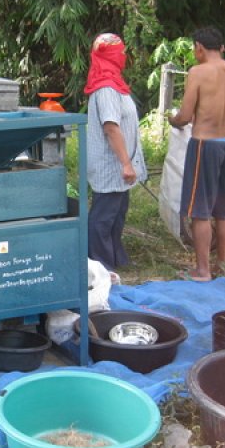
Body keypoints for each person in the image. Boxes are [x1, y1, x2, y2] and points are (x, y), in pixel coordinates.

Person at [168, 26, 225, 282]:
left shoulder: (197, 72)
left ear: (199, 47)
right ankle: (223, 266)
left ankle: (202, 271)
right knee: (223, 210)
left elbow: (186, 115)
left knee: (200, 210)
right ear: (221, 48)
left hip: (205, 145)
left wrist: (173, 120)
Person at [84, 33, 147, 271]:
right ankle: (100, 267)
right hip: (112, 164)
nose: (123, 56)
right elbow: (111, 127)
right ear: (110, 56)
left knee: (117, 214)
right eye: (120, 52)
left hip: (120, 163)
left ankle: (114, 258)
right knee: (103, 218)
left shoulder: (115, 84)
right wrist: (126, 164)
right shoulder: (106, 89)